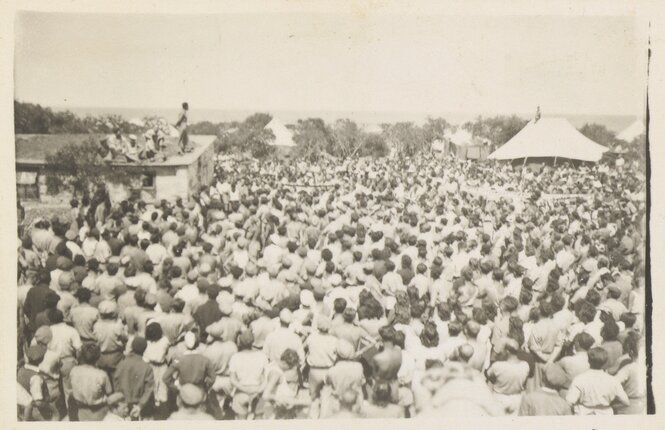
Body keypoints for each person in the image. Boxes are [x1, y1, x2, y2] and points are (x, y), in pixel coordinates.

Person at [565, 347, 630, 415]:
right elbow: (626, 402)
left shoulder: (579, 379)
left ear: (588, 360)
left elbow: (569, 402)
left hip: (583, 415)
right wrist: (610, 406)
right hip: (605, 415)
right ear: (605, 362)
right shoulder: (613, 380)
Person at [69, 343, 113, 421]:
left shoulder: (74, 371)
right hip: (99, 412)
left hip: (81, 412)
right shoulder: (101, 374)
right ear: (97, 358)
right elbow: (109, 393)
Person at [113, 337, 155, 419]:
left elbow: (116, 383)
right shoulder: (147, 368)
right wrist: (140, 406)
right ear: (144, 350)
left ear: (132, 347)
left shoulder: (121, 364)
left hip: (123, 403)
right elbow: (148, 390)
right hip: (138, 405)